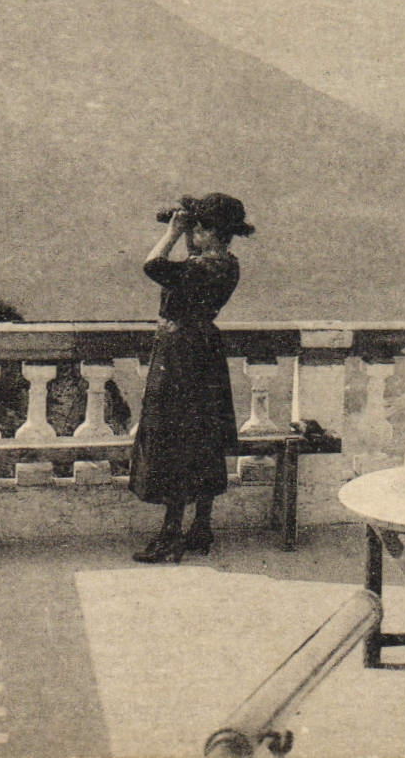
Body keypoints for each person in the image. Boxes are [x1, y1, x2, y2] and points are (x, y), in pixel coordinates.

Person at [129, 193, 254, 563]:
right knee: (204, 440)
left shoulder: (202, 268)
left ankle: (171, 535)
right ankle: (200, 527)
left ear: (211, 232)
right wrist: (189, 233)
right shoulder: (225, 264)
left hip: (180, 355)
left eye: (197, 228)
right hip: (204, 353)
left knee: (175, 441)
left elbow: (153, 265)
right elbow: (186, 268)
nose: (191, 234)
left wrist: (171, 233)